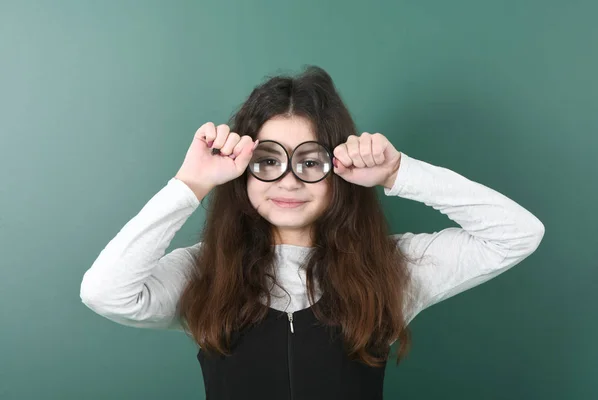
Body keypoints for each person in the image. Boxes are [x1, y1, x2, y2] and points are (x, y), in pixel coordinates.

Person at [79, 65, 545, 400]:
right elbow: (105, 293)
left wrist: (398, 172)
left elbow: (517, 233)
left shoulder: (392, 269)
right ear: (242, 171)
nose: (287, 180)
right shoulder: (204, 271)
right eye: (267, 161)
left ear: (338, 168)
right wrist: (191, 183)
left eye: (308, 162)